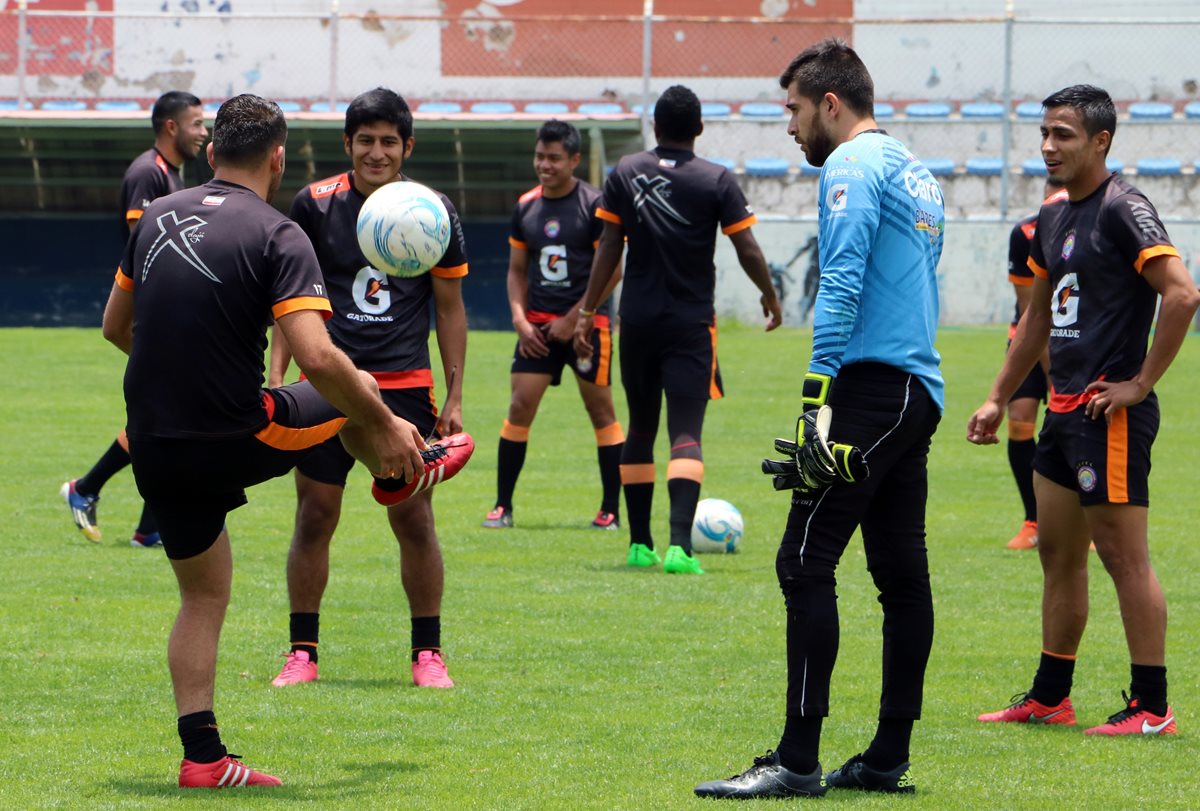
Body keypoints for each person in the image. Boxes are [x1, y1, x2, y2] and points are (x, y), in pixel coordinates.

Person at [102, 94, 436, 787]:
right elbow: (316, 356)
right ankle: (403, 465)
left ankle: (203, 759)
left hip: (155, 443)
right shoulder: (279, 233)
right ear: (278, 156)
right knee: (360, 383)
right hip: (233, 429)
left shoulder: (157, 217)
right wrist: (383, 420)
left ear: (213, 148)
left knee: (203, 594)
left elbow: (114, 326)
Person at [695, 39, 944, 798]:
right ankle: (886, 755)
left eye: (795, 111)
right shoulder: (916, 169)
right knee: (901, 575)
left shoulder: (851, 166)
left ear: (831, 104)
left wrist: (815, 403)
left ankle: (797, 759)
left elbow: (838, 281)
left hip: (871, 388)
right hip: (916, 388)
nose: (792, 128)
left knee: (804, 561)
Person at [969, 85, 1198, 735]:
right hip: (1063, 412)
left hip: (1109, 413)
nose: (1048, 145)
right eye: (1044, 132)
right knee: (1058, 556)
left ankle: (1153, 708)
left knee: (1124, 558)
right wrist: (996, 396)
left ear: (1100, 141)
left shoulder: (1125, 208)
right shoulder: (1052, 215)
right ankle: (1050, 695)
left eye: (1063, 134)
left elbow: (1182, 295)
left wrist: (1140, 383)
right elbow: (1036, 318)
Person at [267, 87, 468, 690]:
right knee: (315, 513)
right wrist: (278, 377)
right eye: (365, 141)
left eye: (388, 141)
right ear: (347, 144)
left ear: (407, 146)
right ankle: (303, 653)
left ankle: (427, 654)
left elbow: (450, 308)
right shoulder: (313, 205)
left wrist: (454, 396)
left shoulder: (435, 212)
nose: (376, 152)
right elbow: (289, 301)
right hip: (325, 381)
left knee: (413, 518)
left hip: (405, 383)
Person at [573, 84, 781, 575]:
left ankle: (640, 545)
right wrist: (769, 296)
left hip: (638, 322)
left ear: (656, 127)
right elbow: (747, 248)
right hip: (690, 324)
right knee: (685, 432)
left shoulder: (626, 171)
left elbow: (608, 248)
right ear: (700, 129)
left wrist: (587, 310)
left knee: (640, 426)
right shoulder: (716, 180)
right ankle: (680, 548)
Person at [61, 90, 208, 548]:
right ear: (171, 126)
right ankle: (88, 490)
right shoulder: (148, 173)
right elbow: (149, 247)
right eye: (197, 122)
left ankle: (147, 526)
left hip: (170, 316)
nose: (204, 132)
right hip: (156, 316)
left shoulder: (170, 173)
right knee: (166, 418)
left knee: (171, 416)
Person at [482, 119, 624, 531]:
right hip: (538, 330)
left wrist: (576, 317)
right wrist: (519, 320)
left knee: (601, 413)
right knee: (518, 407)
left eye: (554, 158)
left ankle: (609, 511)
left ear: (574, 160)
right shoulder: (526, 206)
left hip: (585, 328)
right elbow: (516, 272)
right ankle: (502, 506)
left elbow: (612, 268)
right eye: (539, 156)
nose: (544, 165)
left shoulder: (595, 205)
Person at [1002, 178, 1067, 550]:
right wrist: (1049, 371)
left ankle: (1081, 519)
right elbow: (1031, 310)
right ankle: (1033, 520)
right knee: (1020, 420)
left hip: (1077, 344)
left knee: (1074, 428)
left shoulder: (1094, 227)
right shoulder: (1024, 233)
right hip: (1028, 339)